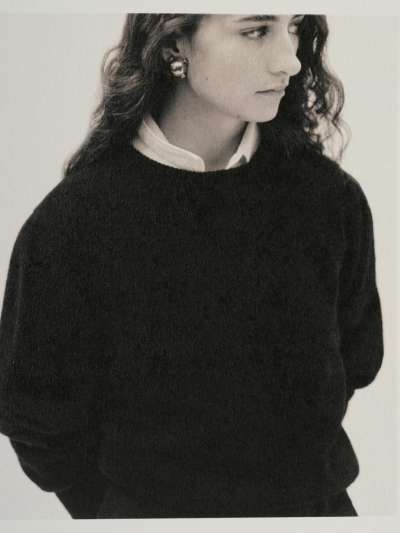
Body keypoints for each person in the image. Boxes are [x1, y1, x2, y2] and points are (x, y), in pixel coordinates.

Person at [0, 13, 384, 519]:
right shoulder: (74, 222)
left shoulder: (330, 200)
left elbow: (356, 360)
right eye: (255, 30)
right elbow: (38, 421)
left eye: (294, 27)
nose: (289, 60)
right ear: (173, 44)